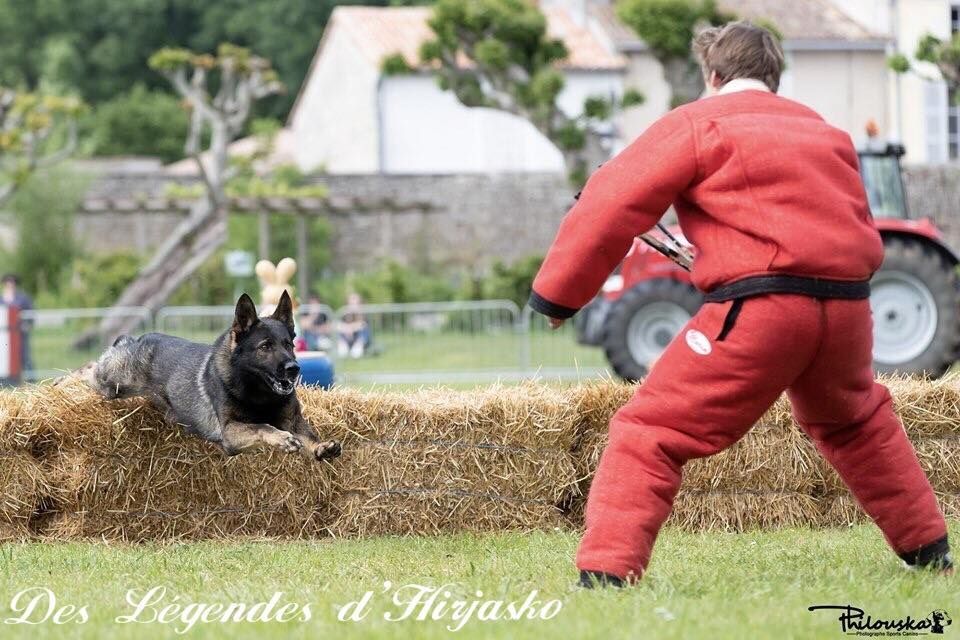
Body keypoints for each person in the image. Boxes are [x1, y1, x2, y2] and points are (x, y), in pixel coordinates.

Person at [528, 21, 951, 587]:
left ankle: (605, 573)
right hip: (848, 310)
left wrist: (557, 296)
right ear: (774, 76)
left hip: (762, 309)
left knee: (648, 428)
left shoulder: (697, 123)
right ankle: (930, 550)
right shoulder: (825, 131)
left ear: (713, 74)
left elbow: (609, 201)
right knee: (856, 424)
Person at [1, 274, 34, 377]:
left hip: (19, 333)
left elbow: (30, 314)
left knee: (24, 356)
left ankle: (31, 379)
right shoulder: (1, 298)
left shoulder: (23, 298)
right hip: (4, 335)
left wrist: (27, 325)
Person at [337, 292, 371, 359]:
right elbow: (339, 325)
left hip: (358, 338)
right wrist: (347, 328)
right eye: (351, 303)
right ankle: (342, 347)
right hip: (347, 337)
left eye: (355, 303)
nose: (353, 305)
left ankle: (357, 348)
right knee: (339, 331)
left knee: (364, 331)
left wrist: (350, 328)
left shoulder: (363, 313)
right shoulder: (344, 313)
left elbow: (362, 324)